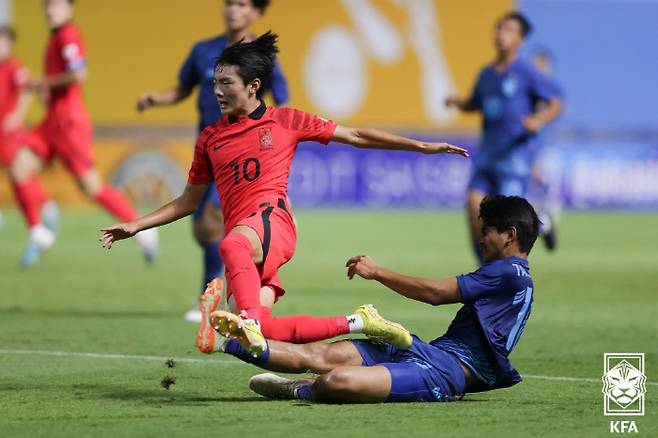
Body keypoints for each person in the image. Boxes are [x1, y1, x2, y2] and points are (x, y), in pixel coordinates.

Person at [100, 32, 468, 356]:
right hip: (251, 237)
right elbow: (189, 201)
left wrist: (421, 146)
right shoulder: (210, 138)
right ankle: (360, 322)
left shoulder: (285, 121)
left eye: (226, 83)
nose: (216, 91)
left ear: (253, 86)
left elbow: (356, 135)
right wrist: (137, 225)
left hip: (272, 222)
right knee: (259, 331)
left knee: (230, 247)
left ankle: (246, 320)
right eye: (215, 82)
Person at [209, 195, 539, 404]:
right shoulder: (510, 275)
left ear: (510, 234)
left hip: (445, 372)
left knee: (337, 379)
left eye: (487, 231)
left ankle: (302, 388)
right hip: (427, 350)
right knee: (322, 353)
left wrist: (377, 272)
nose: (480, 239)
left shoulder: (509, 272)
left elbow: (437, 294)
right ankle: (225, 341)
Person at [136, 0, 288, 323]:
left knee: (213, 219)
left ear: (256, 12)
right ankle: (238, 292)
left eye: (242, 4)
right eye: (229, 3)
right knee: (203, 230)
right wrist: (155, 99)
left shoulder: (261, 57)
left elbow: (282, 102)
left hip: (244, 157)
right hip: (209, 151)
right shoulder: (204, 51)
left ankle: (219, 295)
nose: (232, 9)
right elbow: (181, 88)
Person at [7, 0, 158, 268]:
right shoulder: (54, 38)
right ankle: (38, 231)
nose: (51, 10)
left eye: (57, 5)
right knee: (18, 168)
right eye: (48, 6)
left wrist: (44, 83)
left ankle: (141, 227)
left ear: (70, 9)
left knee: (91, 187)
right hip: (51, 122)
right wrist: (47, 89)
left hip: (69, 125)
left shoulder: (68, 35)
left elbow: (79, 74)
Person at [445, 11, 562, 264]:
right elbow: (475, 103)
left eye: (509, 30)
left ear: (520, 40)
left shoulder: (527, 72)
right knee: (475, 208)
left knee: (508, 221)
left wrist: (537, 120)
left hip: (514, 158)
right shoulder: (487, 73)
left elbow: (556, 103)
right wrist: (459, 102)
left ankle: (540, 224)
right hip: (487, 154)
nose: (501, 34)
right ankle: (486, 269)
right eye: (499, 29)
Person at [0, 25, 60, 255]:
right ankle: (42, 216)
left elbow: (26, 90)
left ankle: (45, 207)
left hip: (9, 133)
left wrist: (17, 116)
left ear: (10, 45)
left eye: (3, 42)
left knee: (18, 173)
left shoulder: (15, 68)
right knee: (17, 174)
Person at [529, 46, 562, 251]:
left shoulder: (551, 90)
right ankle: (544, 225)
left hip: (542, 149)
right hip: (528, 150)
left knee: (546, 191)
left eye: (542, 65)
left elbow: (558, 109)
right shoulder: (527, 88)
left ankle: (546, 222)